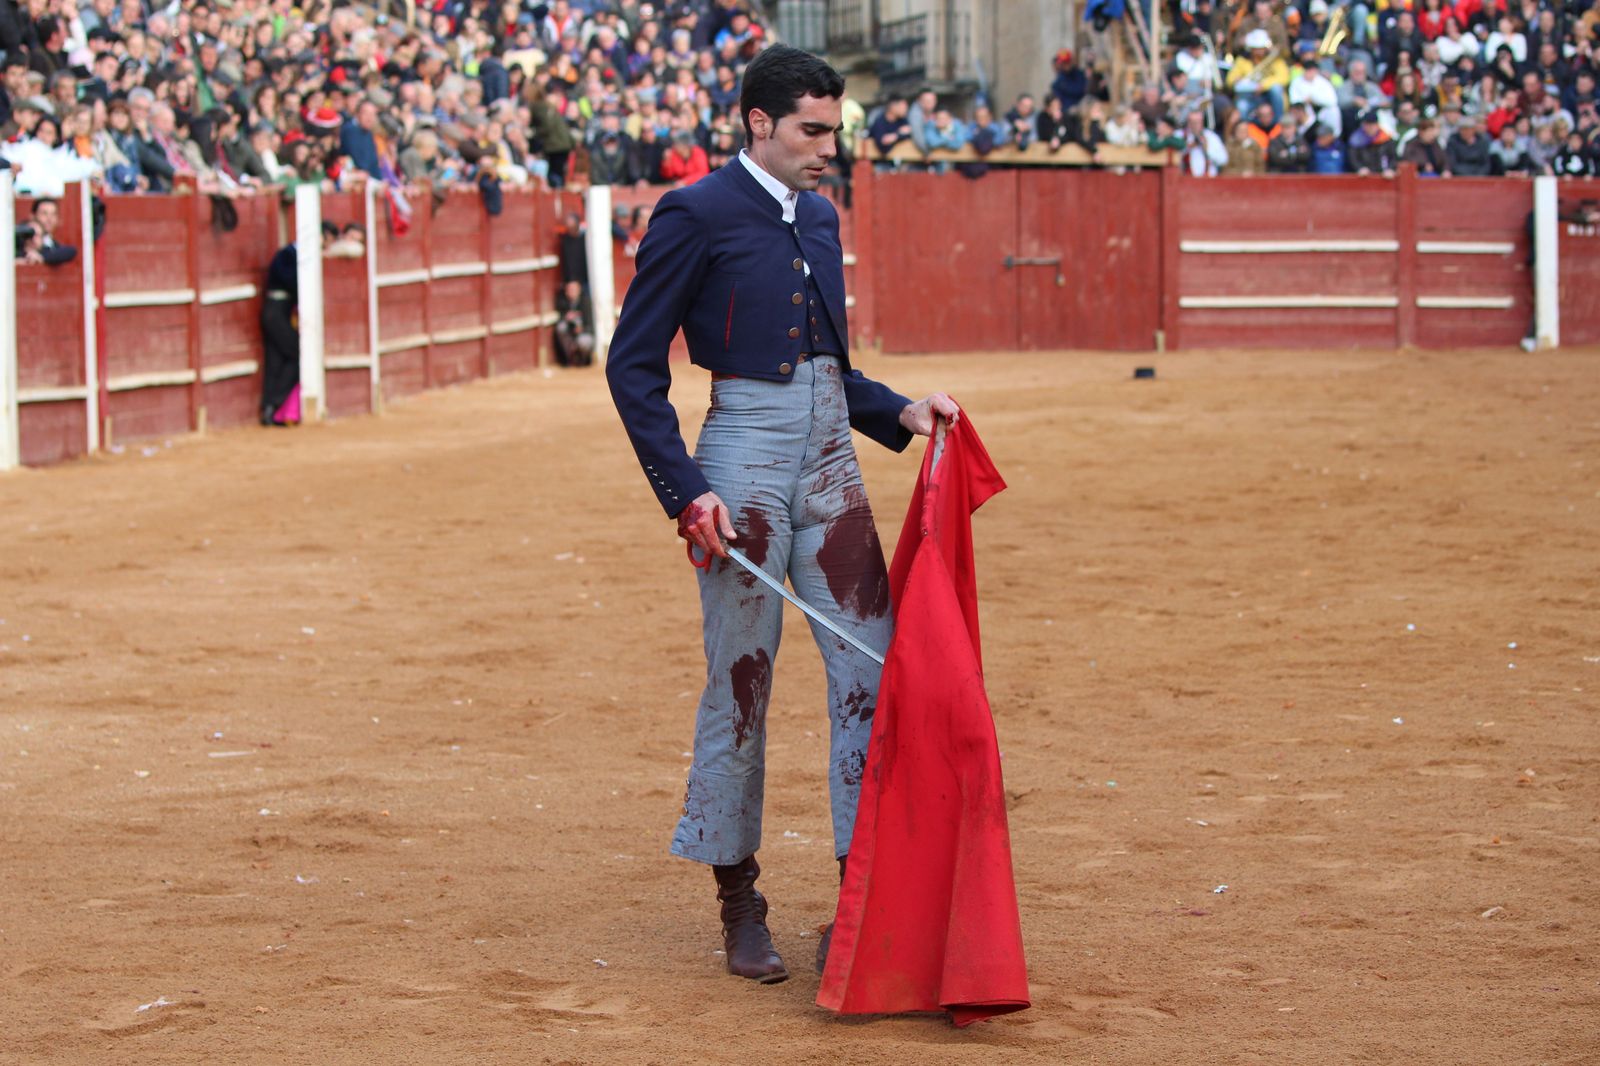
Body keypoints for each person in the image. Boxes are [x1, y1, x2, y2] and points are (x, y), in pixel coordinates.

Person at [604, 44, 958, 988]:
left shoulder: (820, 215)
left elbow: (829, 367)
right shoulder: (695, 211)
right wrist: (688, 492)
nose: (828, 148)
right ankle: (740, 903)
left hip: (832, 460)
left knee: (874, 671)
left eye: (834, 131)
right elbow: (631, 366)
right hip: (743, 468)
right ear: (760, 123)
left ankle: (862, 895)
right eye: (812, 130)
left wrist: (901, 412)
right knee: (743, 682)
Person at [259, 222, 337, 426]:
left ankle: (270, 410)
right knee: (299, 355)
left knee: (276, 361)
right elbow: (293, 283)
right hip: (276, 311)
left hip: (280, 312)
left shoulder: (293, 254)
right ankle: (274, 404)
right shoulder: (288, 254)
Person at [17, 198, 77, 265]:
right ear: (33, 216)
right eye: (44, 213)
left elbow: (71, 251)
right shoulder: (20, 239)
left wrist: (41, 257)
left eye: (53, 214)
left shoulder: (52, 247)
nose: (49, 219)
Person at [553, 279, 594, 366]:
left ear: (579, 290)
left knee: (584, 341)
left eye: (573, 290)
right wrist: (567, 318)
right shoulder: (563, 302)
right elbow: (561, 320)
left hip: (583, 334)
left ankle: (584, 361)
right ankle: (570, 359)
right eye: (569, 290)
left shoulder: (585, 302)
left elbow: (590, 325)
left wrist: (582, 329)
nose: (571, 292)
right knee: (561, 327)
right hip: (571, 336)